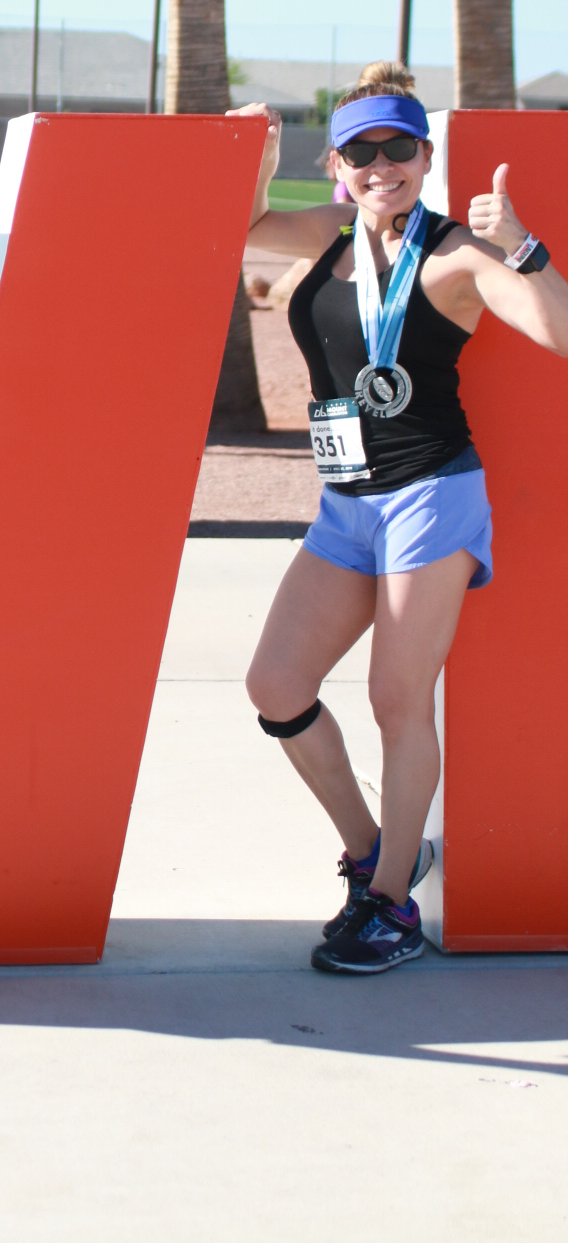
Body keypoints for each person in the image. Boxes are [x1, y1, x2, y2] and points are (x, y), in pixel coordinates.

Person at [233, 63, 568, 974]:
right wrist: (261, 155)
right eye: (362, 152)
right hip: (346, 503)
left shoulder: (459, 252)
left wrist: (524, 249)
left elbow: (558, 334)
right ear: (338, 165)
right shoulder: (327, 232)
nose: (382, 165)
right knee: (276, 686)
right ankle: (377, 851)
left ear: (425, 157)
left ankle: (390, 910)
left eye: (399, 148)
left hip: (430, 495)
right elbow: (238, 231)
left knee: (396, 699)